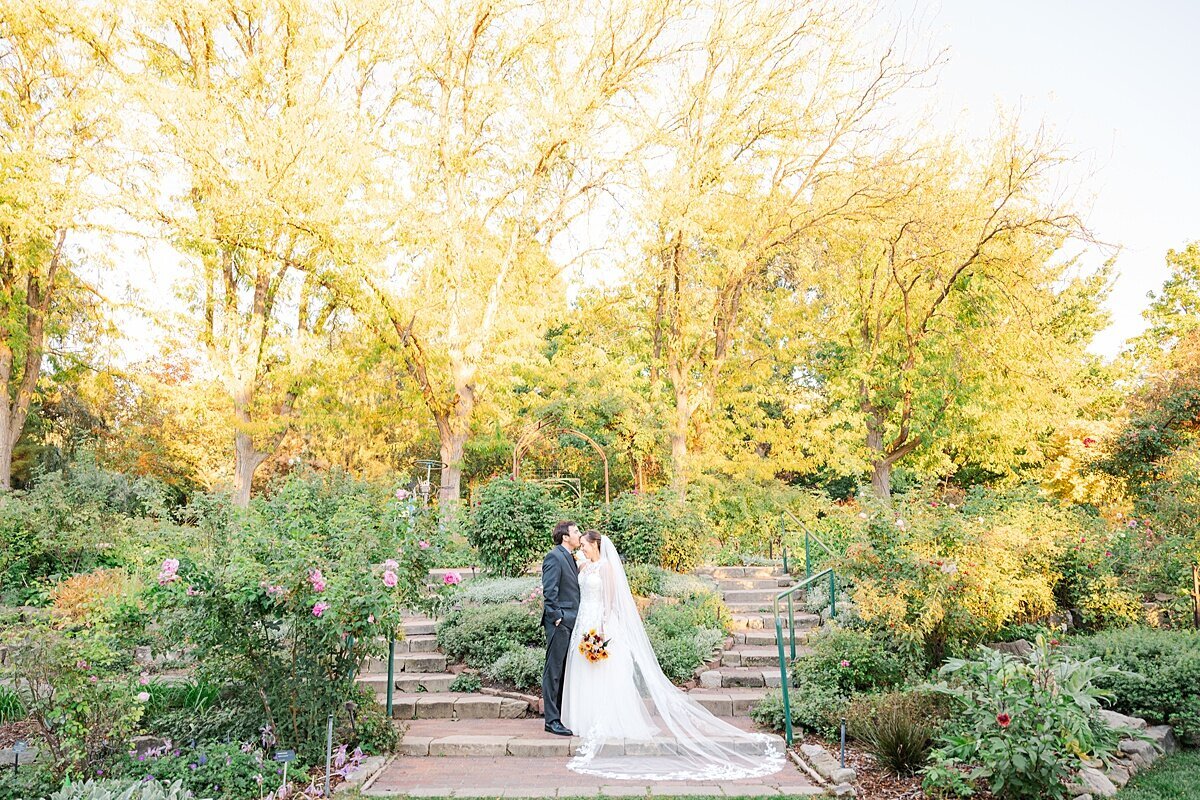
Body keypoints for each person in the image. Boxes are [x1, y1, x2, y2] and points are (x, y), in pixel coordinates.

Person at [560, 530, 785, 781]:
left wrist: (603, 624)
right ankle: (585, 717)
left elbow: (611, 600)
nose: (582, 549)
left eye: (585, 545)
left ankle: (605, 718)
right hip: (583, 620)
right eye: (580, 546)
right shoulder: (585, 566)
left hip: (600, 622)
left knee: (605, 670)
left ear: (595, 544)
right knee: (585, 667)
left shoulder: (606, 568)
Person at [541, 520, 581, 736]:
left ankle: (560, 715)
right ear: (565, 536)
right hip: (560, 622)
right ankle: (551, 720)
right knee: (554, 671)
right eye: (576, 531)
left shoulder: (571, 557)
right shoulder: (554, 556)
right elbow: (549, 590)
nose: (579, 534)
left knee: (564, 670)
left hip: (572, 621)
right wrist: (557, 617)